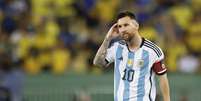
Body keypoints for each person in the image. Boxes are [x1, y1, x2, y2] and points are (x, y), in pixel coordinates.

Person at [93, 11, 170, 101]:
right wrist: (107, 39)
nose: (122, 29)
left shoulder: (152, 51)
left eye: (126, 25)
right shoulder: (117, 47)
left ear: (136, 26)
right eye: (119, 26)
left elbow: (162, 79)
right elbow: (97, 63)